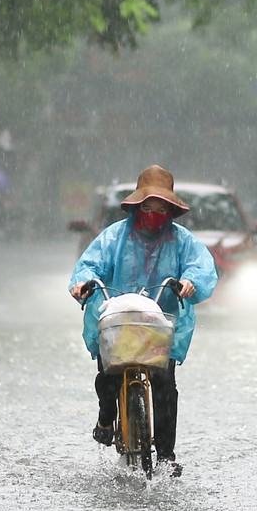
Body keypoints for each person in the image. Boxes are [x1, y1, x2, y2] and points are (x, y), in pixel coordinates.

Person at [68, 165, 219, 472]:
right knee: (109, 378)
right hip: (119, 322)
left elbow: (200, 267)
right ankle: (105, 417)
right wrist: (83, 283)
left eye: (160, 209)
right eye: (147, 208)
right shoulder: (113, 237)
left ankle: (166, 455)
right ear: (137, 207)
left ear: (170, 211)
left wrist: (190, 281)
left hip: (158, 327)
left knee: (165, 386)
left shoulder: (182, 241)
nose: (153, 214)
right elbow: (90, 266)